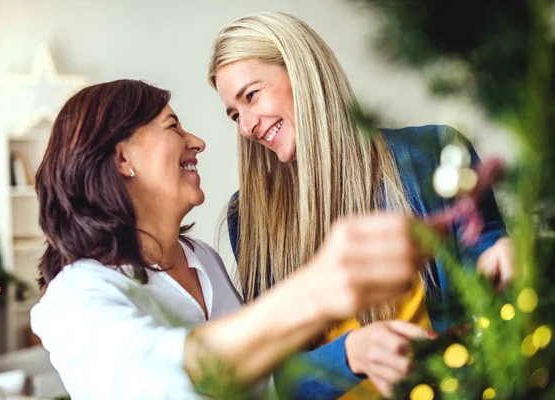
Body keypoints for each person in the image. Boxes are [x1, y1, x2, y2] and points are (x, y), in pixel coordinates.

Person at [29, 79, 429, 400]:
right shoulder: (75, 296)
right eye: (172, 126)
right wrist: (316, 290)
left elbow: (259, 385)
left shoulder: (202, 258)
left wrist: (350, 353)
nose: (197, 141)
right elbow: (163, 378)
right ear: (122, 159)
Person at [208, 12, 513, 399]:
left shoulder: (432, 153)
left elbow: (489, 265)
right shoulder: (249, 217)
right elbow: (275, 377)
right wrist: (350, 354)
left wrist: (506, 255)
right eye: (234, 114)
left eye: (251, 96)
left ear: (303, 72)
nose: (246, 126)